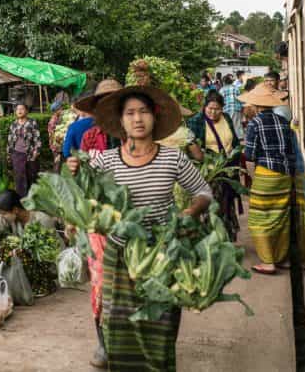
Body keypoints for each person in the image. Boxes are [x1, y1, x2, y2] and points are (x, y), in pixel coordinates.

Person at [67, 85, 213, 371]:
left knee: (160, 330)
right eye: (130, 113)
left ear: (155, 117)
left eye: (143, 112)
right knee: (119, 333)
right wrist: (75, 173)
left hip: (161, 256)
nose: (137, 119)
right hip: (119, 260)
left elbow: (203, 192)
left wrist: (189, 212)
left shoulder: (173, 158)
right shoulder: (103, 161)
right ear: (121, 121)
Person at [240, 84, 305, 276]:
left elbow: (250, 154)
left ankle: (268, 262)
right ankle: (280, 258)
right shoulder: (284, 121)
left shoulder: (254, 123)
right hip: (285, 176)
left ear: (256, 105)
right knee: (280, 217)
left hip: (266, 174)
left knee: (260, 218)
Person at [186, 91, 242, 240]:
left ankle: (226, 237)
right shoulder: (196, 121)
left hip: (227, 169)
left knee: (226, 203)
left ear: (222, 108)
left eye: (217, 109)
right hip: (208, 174)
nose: (213, 112)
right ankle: (212, 238)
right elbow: (191, 146)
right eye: (210, 108)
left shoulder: (227, 118)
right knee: (213, 206)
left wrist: (235, 158)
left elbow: (234, 141)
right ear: (205, 107)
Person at [0, 189, 60, 263]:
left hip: (53, 263)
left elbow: (45, 251)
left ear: (15, 210)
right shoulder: (12, 218)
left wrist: (19, 252)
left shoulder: (42, 220)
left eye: (4, 214)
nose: (2, 217)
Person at [74, 79, 124, 154]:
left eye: (113, 102)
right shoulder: (90, 136)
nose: (110, 108)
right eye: (104, 104)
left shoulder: (133, 132)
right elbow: (84, 162)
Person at [7, 103, 41, 196]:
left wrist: (36, 151)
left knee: (31, 176)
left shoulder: (32, 122)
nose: (19, 111)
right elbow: (10, 139)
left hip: (29, 154)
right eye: (18, 109)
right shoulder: (13, 124)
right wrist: (9, 154)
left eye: (22, 109)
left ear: (26, 111)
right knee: (19, 177)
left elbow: (37, 138)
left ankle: (33, 197)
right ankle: (21, 198)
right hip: (17, 154)